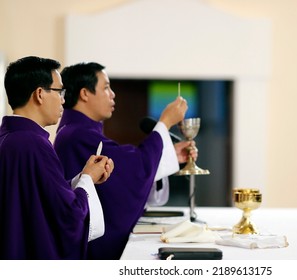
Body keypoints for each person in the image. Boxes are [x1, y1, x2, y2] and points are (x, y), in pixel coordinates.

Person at [54, 62, 194, 259]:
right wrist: (165, 123)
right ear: (85, 93)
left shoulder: (78, 130)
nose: (112, 94)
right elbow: (133, 169)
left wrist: (169, 153)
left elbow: (125, 166)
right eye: (106, 87)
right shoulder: (77, 135)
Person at [0, 56, 114, 259]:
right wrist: (88, 179)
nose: (63, 99)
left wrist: (82, 177)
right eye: (59, 91)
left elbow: (41, 199)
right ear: (39, 94)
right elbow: (67, 215)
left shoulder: (9, 137)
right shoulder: (34, 144)